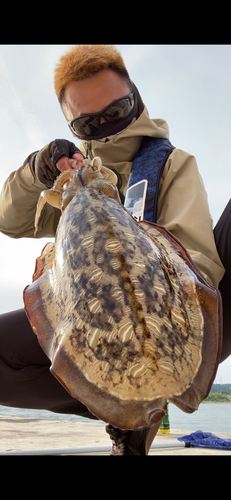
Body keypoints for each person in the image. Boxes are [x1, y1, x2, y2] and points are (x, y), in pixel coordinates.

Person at [0, 45, 227, 455]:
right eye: (88, 124)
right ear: (72, 128)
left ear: (135, 98)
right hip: (91, 331)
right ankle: (117, 408)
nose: (107, 128)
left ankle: (148, 405)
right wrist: (36, 173)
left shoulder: (173, 165)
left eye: (117, 111)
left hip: (176, 322)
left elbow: (199, 259)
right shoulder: (69, 189)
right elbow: (10, 221)